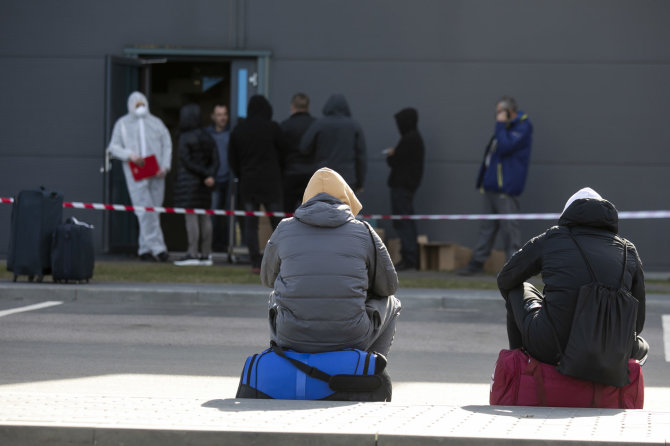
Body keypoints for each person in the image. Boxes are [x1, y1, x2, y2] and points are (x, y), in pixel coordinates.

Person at [497, 187, 648, 367]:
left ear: (568, 214)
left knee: (518, 288)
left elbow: (506, 278)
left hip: (551, 346)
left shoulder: (553, 238)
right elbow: (637, 323)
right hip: (611, 348)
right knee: (642, 346)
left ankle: (519, 368)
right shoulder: (627, 250)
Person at [261, 167, 401, 356]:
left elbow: (268, 279)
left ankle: (282, 358)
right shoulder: (364, 231)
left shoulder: (284, 228)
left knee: (274, 296)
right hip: (352, 337)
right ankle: (372, 369)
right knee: (391, 302)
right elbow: (388, 287)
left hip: (291, 335)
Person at [458, 96, 533, 275]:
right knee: (487, 228)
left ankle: (514, 268)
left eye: (500, 111)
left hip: (505, 188)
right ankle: (476, 263)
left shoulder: (522, 127)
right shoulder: (504, 128)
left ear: (509, 111)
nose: (496, 115)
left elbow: (506, 147)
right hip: (491, 186)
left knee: (509, 229)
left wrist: (500, 125)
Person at [107, 91, 171, 262]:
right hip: (136, 172)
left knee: (154, 210)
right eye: (137, 105)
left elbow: (167, 145)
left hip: (157, 172)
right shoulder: (122, 124)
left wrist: (165, 166)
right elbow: (113, 147)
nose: (140, 108)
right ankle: (159, 249)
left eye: (142, 104)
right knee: (144, 211)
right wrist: (130, 155)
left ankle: (145, 249)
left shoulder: (156, 123)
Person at [228, 95, 284, 273]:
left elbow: (232, 159)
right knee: (278, 222)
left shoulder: (239, 130)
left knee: (250, 224)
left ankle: (255, 262)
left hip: (248, 182)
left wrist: (241, 174)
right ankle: (281, 259)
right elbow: (283, 152)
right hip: (271, 182)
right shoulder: (273, 128)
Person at [172, 104, 219, 266]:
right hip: (205, 185)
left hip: (189, 184)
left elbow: (186, 161)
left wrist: (204, 174)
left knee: (191, 218)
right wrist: (210, 175)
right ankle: (206, 254)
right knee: (205, 218)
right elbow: (216, 158)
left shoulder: (185, 137)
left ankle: (192, 252)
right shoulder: (207, 136)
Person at [300, 94, 367, 193]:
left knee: (324, 208)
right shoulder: (354, 125)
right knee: (344, 208)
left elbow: (304, 148)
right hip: (347, 179)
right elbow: (361, 157)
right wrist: (360, 183)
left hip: (323, 178)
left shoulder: (319, 124)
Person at [384, 107, 425, 270]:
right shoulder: (415, 138)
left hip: (401, 186)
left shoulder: (409, 139)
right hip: (408, 186)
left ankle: (409, 258)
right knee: (406, 220)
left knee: (403, 221)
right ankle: (411, 256)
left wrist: (391, 155)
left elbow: (395, 162)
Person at [279, 93, 316, 213]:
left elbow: (280, 152)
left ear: (292, 107)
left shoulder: (284, 126)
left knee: (287, 214)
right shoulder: (316, 125)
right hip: (311, 176)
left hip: (290, 174)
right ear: (308, 107)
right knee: (312, 214)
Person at [205, 104, 231, 252]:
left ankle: (226, 245)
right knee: (213, 215)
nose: (223, 118)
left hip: (228, 180)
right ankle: (212, 247)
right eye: (219, 115)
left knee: (228, 216)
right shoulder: (207, 134)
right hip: (213, 180)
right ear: (213, 117)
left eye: (225, 114)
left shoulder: (231, 133)